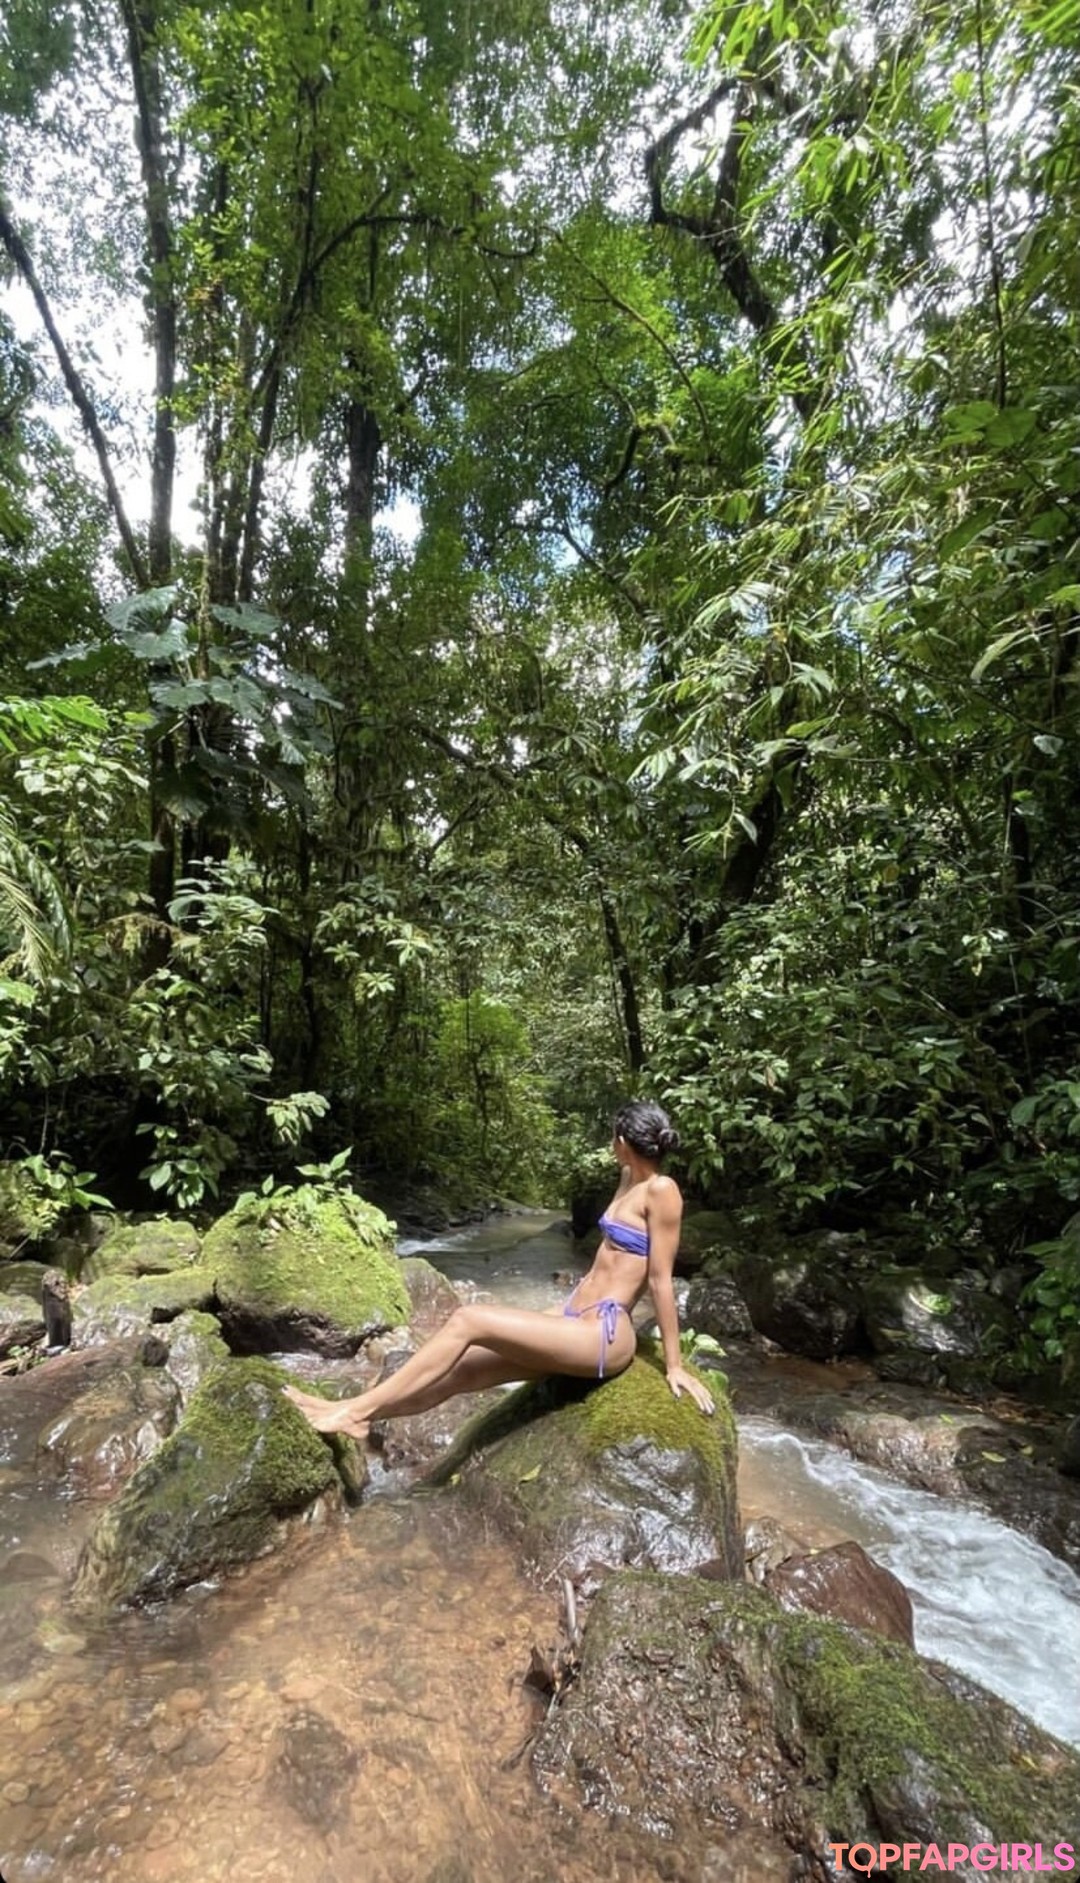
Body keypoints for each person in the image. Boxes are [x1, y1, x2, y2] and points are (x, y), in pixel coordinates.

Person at [282, 1099, 715, 1441]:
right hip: (572, 1315)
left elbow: (660, 1280)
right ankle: (354, 1413)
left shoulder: (662, 1190)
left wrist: (674, 1365)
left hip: (604, 1333)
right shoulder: (628, 1180)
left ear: (621, 1140)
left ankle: (353, 1412)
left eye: (611, 1136)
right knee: (463, 1370)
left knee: (469, 1319)